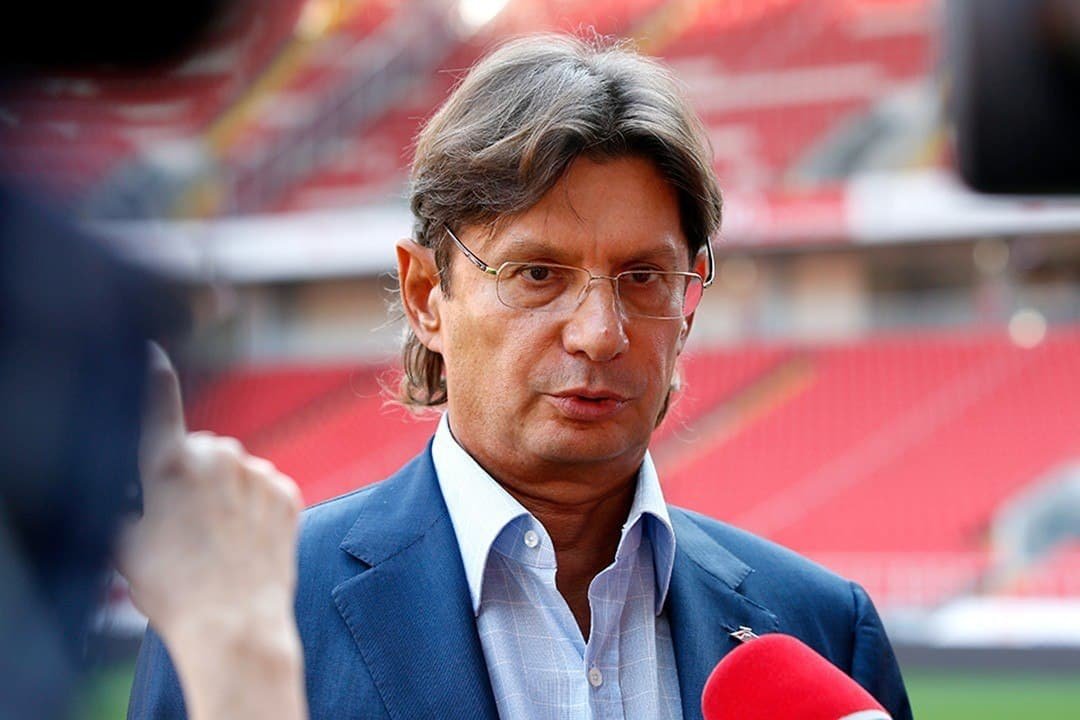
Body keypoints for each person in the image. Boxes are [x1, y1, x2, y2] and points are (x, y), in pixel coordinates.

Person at [129, 34, 913, 720]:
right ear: (426, 295)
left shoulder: (822, 631)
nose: (600, 333)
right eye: (537, 273)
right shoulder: (243, 614)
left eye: (644, 277)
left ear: (688, 305)